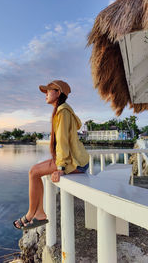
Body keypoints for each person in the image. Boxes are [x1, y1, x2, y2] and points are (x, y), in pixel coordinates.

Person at [13, 80, 89, 230]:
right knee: (34, 171)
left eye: (48, 91)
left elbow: (62, 141)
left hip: (74, 161)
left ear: (58, 92)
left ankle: (31, 214)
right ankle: (39, 212)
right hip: (71, 158)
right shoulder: (60, 111)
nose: (46, 94)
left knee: (34, 172)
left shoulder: (63, 111)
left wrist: (60, 167)